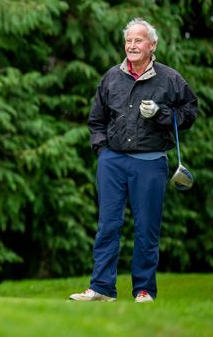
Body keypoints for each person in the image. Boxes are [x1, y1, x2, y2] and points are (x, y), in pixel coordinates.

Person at [70, 18, 197, 303]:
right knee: (108, 225)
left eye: (138, 40)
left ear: (152, 45)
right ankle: (101, 288)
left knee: (146, 228)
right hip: (113, 161)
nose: (132, 45)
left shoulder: (170, 79)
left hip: (150, 163)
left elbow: (189, 114)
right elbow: (96, 119)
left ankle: (144, 290)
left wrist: (162, 113)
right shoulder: (112, 77)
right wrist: (102, 152)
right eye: (129, 40)